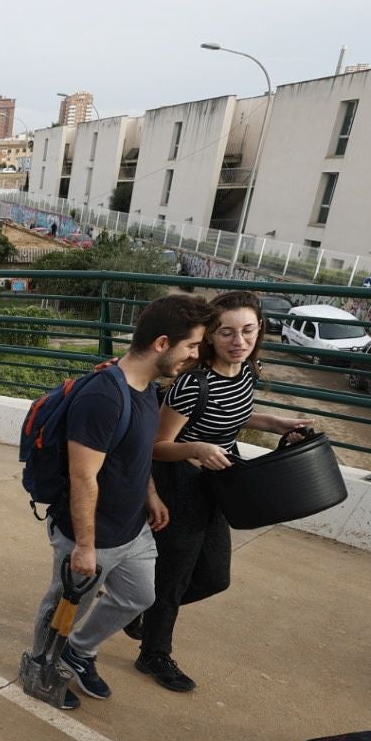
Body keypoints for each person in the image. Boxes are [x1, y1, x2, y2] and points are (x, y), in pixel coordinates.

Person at [25, 294, 213, 709]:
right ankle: (39, 664)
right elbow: (83, 475)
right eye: (192, 346)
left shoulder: (146, 387)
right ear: (163, 343)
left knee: (139, 597)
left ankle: (79, 651)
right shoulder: (104, 397)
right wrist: (86, 547)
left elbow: (137, 452)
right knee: (65, 605)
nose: (196, 356)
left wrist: (149, 494)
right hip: (93, 534)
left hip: (133, 528)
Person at [130, 291, 312, 692]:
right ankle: (154, 652)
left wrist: (275, 423)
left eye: (248, 331)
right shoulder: (192, 383)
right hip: (182, 480)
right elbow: (156, 445)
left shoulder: (245, 371)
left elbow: (234, 412)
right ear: (210, 336)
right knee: (175, 576)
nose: (238, 341)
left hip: (221, 478)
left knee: (214, 577)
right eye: (226, 332)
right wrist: (196, 448)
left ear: (259, 330)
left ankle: (137, 609)